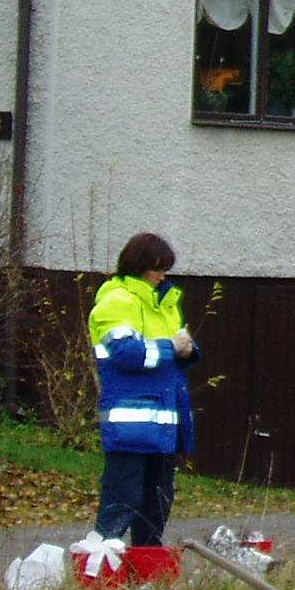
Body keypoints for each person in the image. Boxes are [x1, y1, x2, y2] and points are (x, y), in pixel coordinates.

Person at [88, 232, 200, 546]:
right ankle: (100, 564)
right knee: (122, 499)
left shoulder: (165, 303)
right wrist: (170, 348)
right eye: (157, 268)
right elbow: (126, 354)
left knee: (157, 502)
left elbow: (178, 353)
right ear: (138, 266)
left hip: (164, 422)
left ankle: (145, 570)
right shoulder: (117, 300)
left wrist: (188, 350)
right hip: (131, 422)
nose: (163, 275)